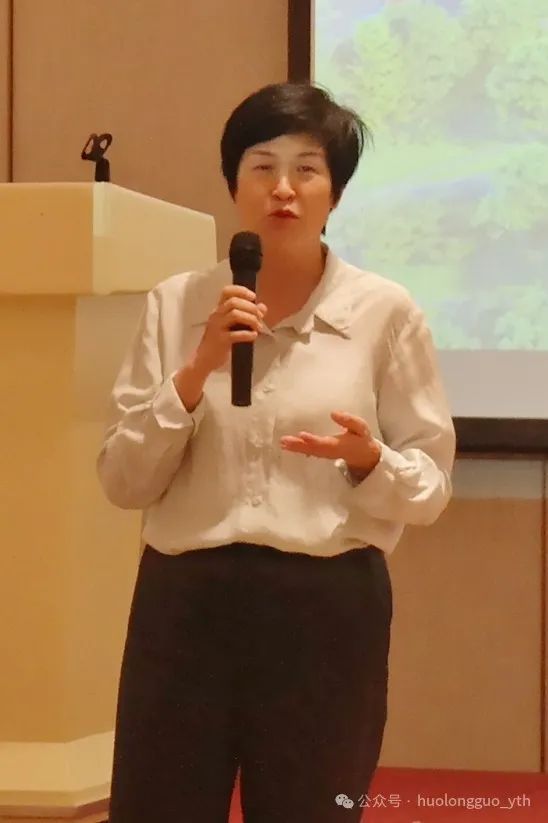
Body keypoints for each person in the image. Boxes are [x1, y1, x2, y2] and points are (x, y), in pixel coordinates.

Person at [97, 81, 456, 823]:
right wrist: (194, 372)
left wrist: (369, 460)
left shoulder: (384, 312)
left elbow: (429, 485)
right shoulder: (176, 303)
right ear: (234, 185)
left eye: (306, 170)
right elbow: (123, 480)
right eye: (261, 167)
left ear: (336, 193)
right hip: (186, 604)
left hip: (325, 608)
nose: (283, 188)